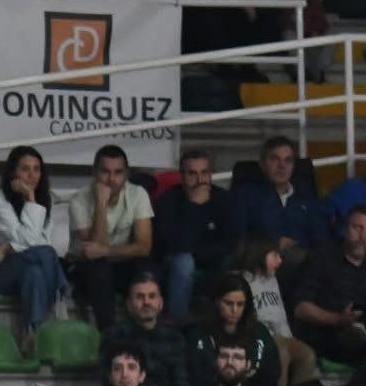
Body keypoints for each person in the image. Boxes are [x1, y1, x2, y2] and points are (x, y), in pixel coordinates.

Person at [0, 145, 67, 338]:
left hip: (27, 267)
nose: (31, 175)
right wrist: (31, 198)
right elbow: (33, 241)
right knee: (47, 254)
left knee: (35, 272)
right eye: (25, 169)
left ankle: (35, 333)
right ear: (13, 172)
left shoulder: (47, 199)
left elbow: (38, 242)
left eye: (36, 169)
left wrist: (7, 247)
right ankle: (57, 305)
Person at [69, 144, 154, 330]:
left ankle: (147, 331)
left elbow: (144, 246)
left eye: (118, 172)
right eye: (105, 172)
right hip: (86, 268)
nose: (111, 179)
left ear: (127, 173)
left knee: (146, 266)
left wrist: (106, 251)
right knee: (99, 268)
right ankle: (109, 334)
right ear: (94, 172)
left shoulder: (138, 194)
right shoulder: (79, 200)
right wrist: (101, 203)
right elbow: (94, 249)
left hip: (120, 262)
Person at [154, 151, 235, 322]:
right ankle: (178, 323)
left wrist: (198, 252)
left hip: (215, 266)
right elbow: (176, 245)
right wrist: (193, 206)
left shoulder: (225, 200)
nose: (200, 180)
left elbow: (230, 243)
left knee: (227, 261)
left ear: (210, 175)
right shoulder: (167, 201)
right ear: (182, 177)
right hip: (175, 268)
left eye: (204, 173)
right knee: (184, 261)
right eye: (192, 174)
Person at [233, 237, 319, 386]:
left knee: (307, 354)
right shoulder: (239, 280)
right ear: (259, 255)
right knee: (281, 354)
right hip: (256, 338)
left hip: (280, 337)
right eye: (275, 256)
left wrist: (290, 340)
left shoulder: (272, 279)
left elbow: (280, 316)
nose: (280, 261)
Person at [100, 271, 192, 386]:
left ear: (160, 303)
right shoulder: (113, 336)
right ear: (129, 304)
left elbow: (181, 384)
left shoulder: (175, 338)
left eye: (152, 296)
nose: (146, 302)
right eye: (139, 297)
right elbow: (109, 381)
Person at [232, 137, 328, 265]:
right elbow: (237, 240)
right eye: (274, 159)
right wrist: (274, 244)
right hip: (260, 265)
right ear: (262, 164)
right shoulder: (247, 195)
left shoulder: (307, 198)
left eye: (288, 160)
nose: (282, 166)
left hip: (305, 268)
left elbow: (321, 240)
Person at [184, 274, 283, 386]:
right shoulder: (200, 332)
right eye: (228, 303)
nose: (234, 310)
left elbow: (272, 372)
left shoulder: (258, 331)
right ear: (217, 302)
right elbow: (196, 374)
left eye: (240, 304)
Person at [293, 203, 366, 364]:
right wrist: (338, 319)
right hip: (327, 334)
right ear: (345, 229)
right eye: (357, 228)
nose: (363, 237)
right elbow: (300, 308)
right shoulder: (321, 258)